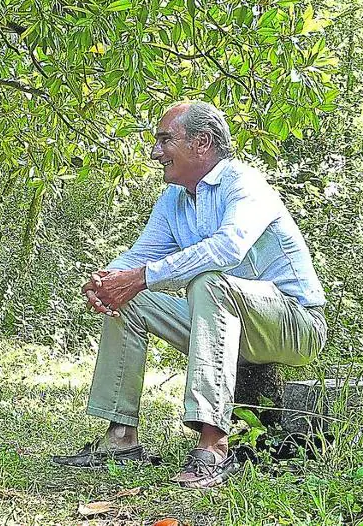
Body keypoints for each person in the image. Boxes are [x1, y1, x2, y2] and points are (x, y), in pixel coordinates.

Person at [50, 101, 327, 489]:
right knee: (131, 298)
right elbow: (142, 256)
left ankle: (214, 447)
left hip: (294, 326)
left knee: (207, 281)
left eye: (165, 140)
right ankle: (120, 439)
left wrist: (141, 277)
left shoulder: (244, 184)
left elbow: (227, 249)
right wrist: (109, 282)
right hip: (225, 324)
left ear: (202, 142)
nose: (155, 152)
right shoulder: (174, 199)